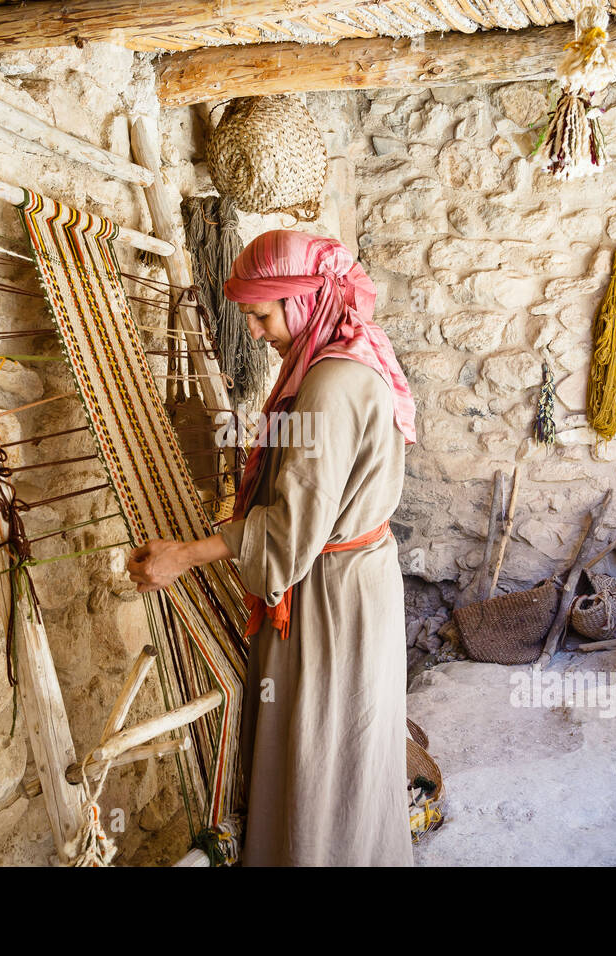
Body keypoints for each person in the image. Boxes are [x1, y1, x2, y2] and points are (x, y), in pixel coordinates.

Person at [127, 229, 416, 866]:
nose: (255, 332)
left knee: (321, 755)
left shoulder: (328, 386)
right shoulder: (349, 357)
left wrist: (186, 553)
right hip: (358, 583)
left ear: (306, 301)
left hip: (331, 600)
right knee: (353, 754)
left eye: (260, 315)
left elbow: (290, 537)